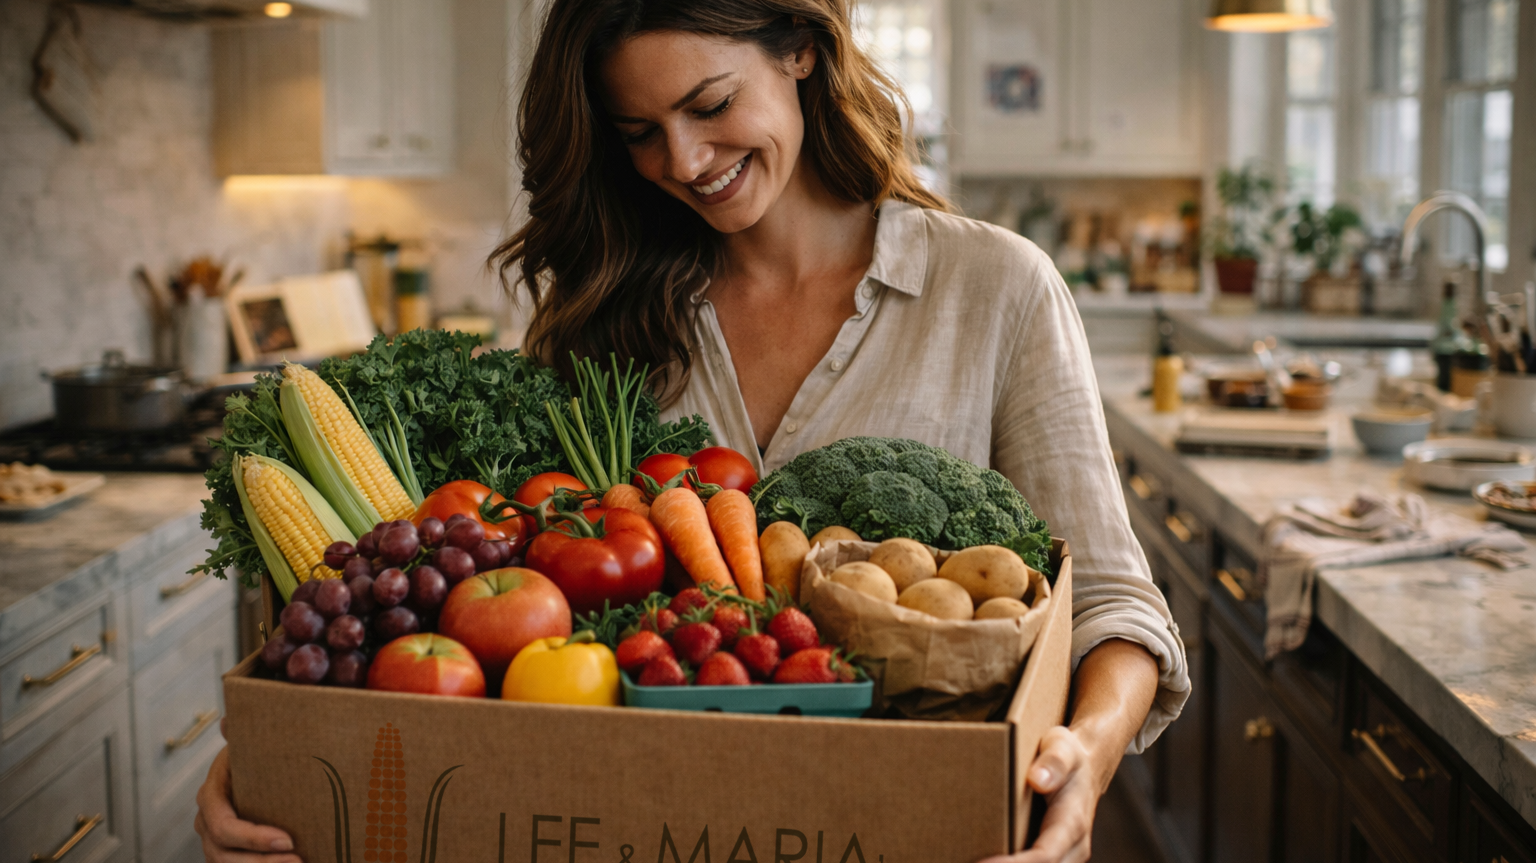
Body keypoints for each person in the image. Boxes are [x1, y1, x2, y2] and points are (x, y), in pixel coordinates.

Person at [195, 1, 1189, 860]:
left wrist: (1084, 761)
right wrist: (278, 743)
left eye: (710, 106)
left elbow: (1112, 602)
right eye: (639, 131)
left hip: (912, 822)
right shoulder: (601, 315)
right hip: (652, 821)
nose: (682, 162)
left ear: (800, 47)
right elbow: (467, 595)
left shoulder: (995, 287)